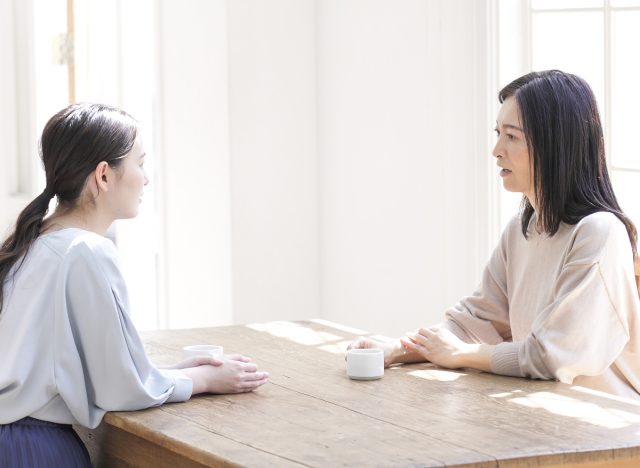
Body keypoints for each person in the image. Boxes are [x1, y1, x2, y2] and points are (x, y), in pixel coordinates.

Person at [0, 103, 269, 466]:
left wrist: (169, 372)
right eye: (140, 163)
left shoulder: (31, 242)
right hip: (34, 452)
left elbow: (74, 369)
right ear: (104, 176)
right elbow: (118, 389)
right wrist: (203, 379)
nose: (146, 178)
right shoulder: (85, 251)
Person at [349, 70, 640, 400]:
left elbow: (550, 356)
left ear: (554, 144)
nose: (496, 150)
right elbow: (474, 322)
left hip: (612, 435)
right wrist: (396, 350)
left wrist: (461, 355)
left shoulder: (599, 233)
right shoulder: (523, 229)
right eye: (498, 133)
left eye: (512, 137)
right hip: (539, 417)